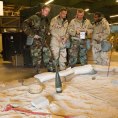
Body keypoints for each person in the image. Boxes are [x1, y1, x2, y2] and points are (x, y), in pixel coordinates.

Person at [22, 5, 55, 72]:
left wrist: (48, 32)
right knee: (36, 57)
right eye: (46, 11)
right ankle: (37, 72)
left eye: (48, 11)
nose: (47, 12)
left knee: (48, 54)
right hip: (35, 41)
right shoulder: (34, 17)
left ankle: (50, 69)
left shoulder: (46, 19)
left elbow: (45, 29)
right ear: (42, 10)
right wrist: (32, 35)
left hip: (43, 40)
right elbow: (24, 24)